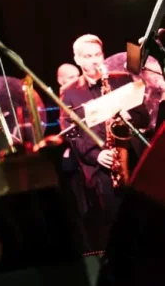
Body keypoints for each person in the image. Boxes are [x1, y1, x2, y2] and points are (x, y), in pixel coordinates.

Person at [60, 34, 149, 250]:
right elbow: (71, 134)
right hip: (101, 169)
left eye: (97, 55)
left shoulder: (122, 79)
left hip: (132, 159)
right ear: (77, 59)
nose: (94, 61)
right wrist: (96, 155)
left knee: (144, 220)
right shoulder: (69, 93)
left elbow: (144, 117)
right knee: (115, 225)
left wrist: (130, 117)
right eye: (88, 56)